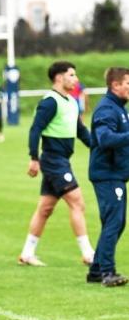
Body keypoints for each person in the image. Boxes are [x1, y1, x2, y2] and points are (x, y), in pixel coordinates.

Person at [18, 61, 94, 267]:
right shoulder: (50, 102)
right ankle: (88, 254)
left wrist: (97, 147)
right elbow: (35, 129)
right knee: (77, 202)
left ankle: (27, 253)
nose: (76, 79)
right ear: (59, 78)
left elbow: (81, 130)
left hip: (62, 160)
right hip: (54, 160)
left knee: (45, 208)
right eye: (72, 75)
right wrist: (34, 157)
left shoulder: (70, 101)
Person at [86, 67, 129, 287]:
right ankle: (107, 272)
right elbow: (105, 138)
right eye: (128, 83)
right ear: (115, 85)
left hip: (116, 174)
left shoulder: (119, 108)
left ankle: (96, 270)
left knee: (116, 223)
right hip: (107, 174)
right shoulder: (107, 109)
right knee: (114, 222)